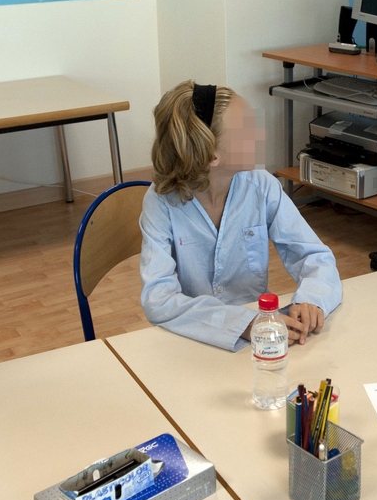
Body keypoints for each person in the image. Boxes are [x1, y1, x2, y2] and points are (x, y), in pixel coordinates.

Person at [140, 80, 341, 351]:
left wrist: (312, 300)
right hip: (191, 341)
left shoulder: (261, 186)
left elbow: (314, 256)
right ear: (211, 155)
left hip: (257, 344)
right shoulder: (161, 202)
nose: (261, 132)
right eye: (246, 129)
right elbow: (159, 299)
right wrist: (242, 323)